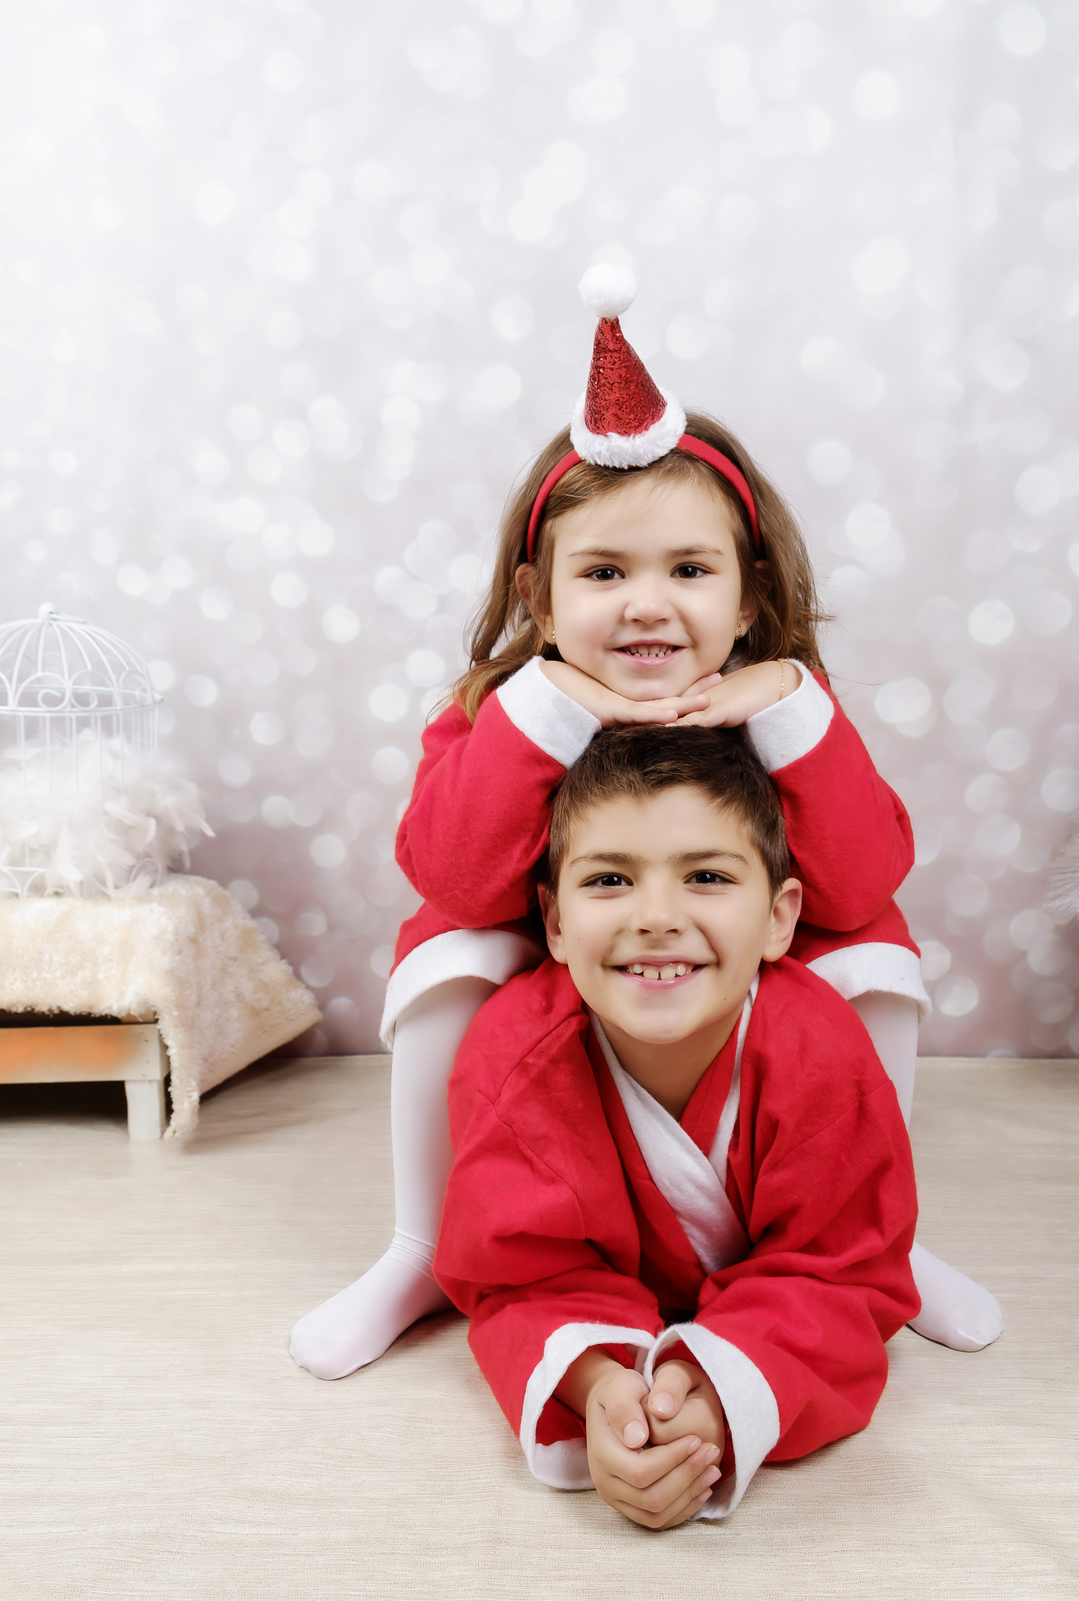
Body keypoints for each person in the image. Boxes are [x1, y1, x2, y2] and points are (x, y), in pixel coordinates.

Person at [289, 265, 1002, 1382]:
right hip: (565, 971)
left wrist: (791, 711)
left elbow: (861, 880)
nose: (647, 604)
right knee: (447, 949)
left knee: (876, 948)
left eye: (689, 569)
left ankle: (880, 1238)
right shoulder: (492, 711)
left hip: (728, 984)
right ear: (540, 595)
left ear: (749, 594)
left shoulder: (782, 703)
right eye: (605, 570)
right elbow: (459, 876)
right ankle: (423, 1245)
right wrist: (545, 709)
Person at [434, 726, 920, 1526]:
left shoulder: (821, 1052)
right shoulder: (511, 1057)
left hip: (774, 1298)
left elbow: (841, 1270)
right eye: (610, 880)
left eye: (706, 876)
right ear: (554, 922)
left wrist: (721, 1395)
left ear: (778, 916)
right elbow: (516, 1275)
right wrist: (607, 1392)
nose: (657, 917)